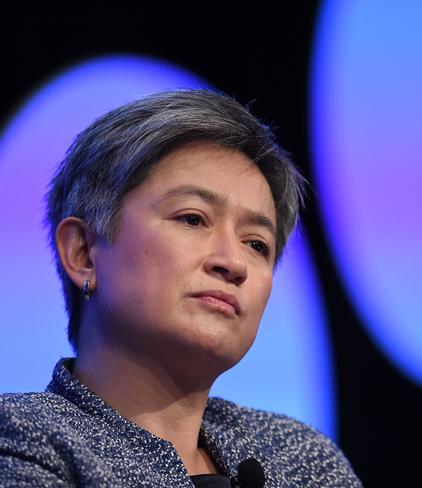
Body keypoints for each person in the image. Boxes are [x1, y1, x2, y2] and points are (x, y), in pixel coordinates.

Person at [0, 89, 362, 487]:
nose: (233, 262)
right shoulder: (23, 438)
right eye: (193, 219)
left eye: (257, 244)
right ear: (83, 253)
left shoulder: (301, 458)